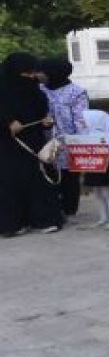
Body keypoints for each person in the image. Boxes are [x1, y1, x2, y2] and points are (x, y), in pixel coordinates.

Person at [0, 53, 62, 235]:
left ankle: (45, 219)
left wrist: (45, 121)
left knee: (38, 180)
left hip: (33, 143)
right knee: (9, 184)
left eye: (32, 73)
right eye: (26, 73)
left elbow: (41, 111)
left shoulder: (35, 91)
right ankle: (13, 223)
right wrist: (8, 122)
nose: (30, 77)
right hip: (7, 146)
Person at [39, 58, 89, 218]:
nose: (40, 75)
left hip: (69, 141)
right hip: (44, 140)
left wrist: (79, 143)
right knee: (47, 173)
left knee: (69, 176)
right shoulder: (40, 89)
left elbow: (81, 119)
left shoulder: (76, 92)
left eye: (43, 71)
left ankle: (69, 208)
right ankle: (52, 207)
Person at [78, 109, 109, 231]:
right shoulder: (87, 134)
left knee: (107, 193)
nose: (81, 121)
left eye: (84, 119)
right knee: (97, 193)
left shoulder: (105, 135)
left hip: (104, 167)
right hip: (92, 166)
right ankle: (103, 218)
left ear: (93, 120)